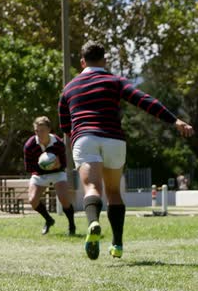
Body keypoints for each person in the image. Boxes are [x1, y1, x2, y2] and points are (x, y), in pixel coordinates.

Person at [59, 41, 194, 260]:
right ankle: (117, 244)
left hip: (85, 139)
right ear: (104, 60)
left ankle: (93, 222)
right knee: (113, 192)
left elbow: (65, 127)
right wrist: (175, 121)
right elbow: (144, 100)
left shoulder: (69, 88)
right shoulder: (115, 81)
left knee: (92, 186)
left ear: (82, 62)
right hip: (114, 139)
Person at [23, 116, 76, 235]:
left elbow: (64, 164)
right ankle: (49, 219)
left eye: (42, 130)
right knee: (32, 200)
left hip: (57, 172)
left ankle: (72, 226)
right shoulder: (29, 145)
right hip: (39, 174)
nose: (39, 133)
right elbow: (29, 168)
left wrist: (57, 165)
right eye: (36, 131)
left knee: (64, 199)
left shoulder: (58, 143)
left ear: (49, 130)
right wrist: (42, 165)